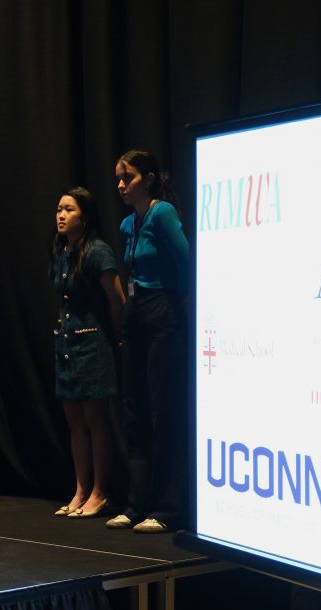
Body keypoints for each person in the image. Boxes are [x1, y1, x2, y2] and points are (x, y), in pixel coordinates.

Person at [106, 150, 189, 534]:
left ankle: (167, 507)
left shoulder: (162, 214)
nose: (121, 185)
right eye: (119, 178)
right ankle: (135, 504)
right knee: (134, 409)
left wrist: (184, 314)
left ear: (150, 178)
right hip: (137, 314)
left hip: (163, 312)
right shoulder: (128, 224)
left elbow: (187, 263)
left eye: (129, 177)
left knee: (163, 409)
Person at [48, 187, 125, 519]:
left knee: (95, 419)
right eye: (59, 209)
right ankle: (80, 489)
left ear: (86, 216)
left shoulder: (98, 251)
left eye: (69, 210)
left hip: (93, 344)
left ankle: (99, 491)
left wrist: (120, 336)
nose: (61, 215)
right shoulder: (62, 250)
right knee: (74, 420)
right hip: (66, 344)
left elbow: (117, 299)